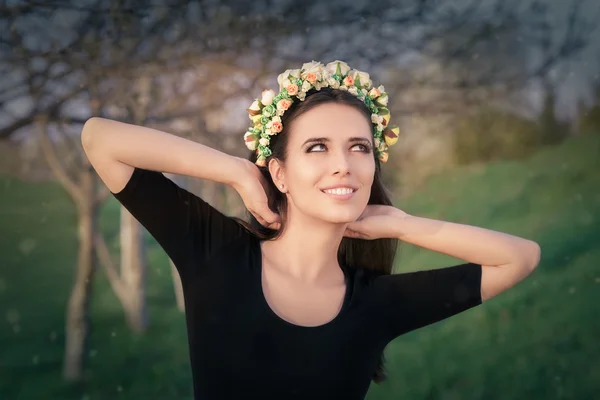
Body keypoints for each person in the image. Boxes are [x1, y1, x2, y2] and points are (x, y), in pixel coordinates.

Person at [81, 60, 541, 400]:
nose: (343, 165)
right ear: (280, 174)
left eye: (359, 147)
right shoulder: (218, 253)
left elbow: (519, 257)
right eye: (318, 147)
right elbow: (100, 139)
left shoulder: (376, 303)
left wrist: (402, 225)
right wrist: (237, 172)